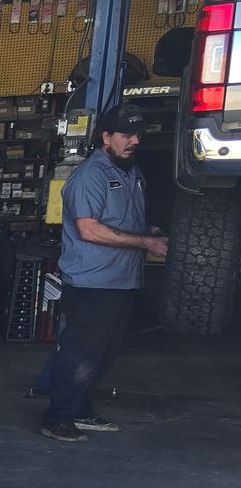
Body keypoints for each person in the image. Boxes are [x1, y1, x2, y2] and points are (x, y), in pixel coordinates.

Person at [41, 105, 168, 442]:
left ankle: (81, 410)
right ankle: (57, 417)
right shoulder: (89, 177)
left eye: (138, 135)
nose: (135, 141)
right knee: (80, 352)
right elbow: (90, 230)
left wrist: (149, 231)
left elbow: (123, 220)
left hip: (122, 281)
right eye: (126, 135)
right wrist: (145, 242)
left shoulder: (133, 173)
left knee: (103, 353)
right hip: (90, 282)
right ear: (106, 137)